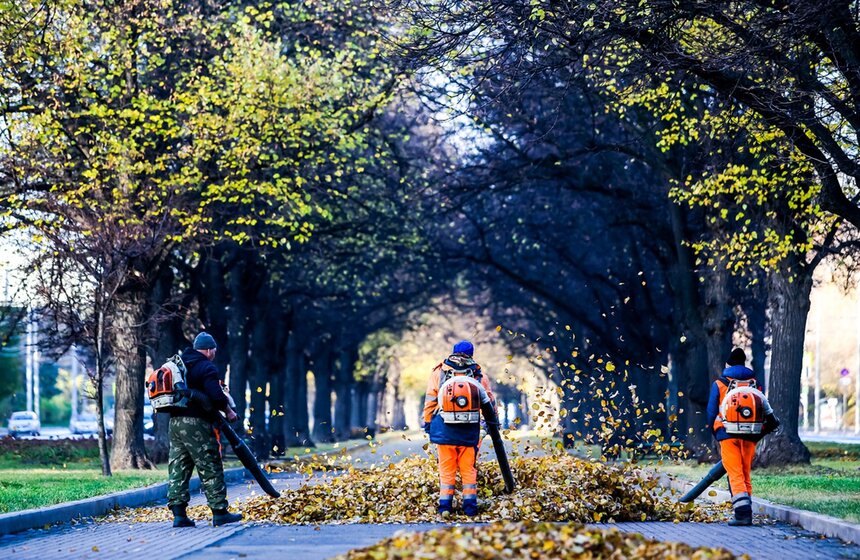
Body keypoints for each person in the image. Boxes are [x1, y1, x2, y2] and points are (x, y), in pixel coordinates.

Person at [167, 332, 242, 528]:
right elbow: (216, 396)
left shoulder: (179, 364)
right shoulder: (206, 366)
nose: (214, 354)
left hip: (175, 422)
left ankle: (179, 515)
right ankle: (220, 512)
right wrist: (229, 411)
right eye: (214, 351)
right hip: (196, 423)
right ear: (209, 350)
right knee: (210, 464)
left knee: (179, 466)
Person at [706, 347, 779, 526]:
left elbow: (711, 411)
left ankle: (742, 515)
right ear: (744, 363)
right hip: (750, 434)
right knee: (744, 472)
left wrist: (716, 431)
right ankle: (747, 510)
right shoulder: (755, 384)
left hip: (727, 433)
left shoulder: (720, 383)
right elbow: (762, 407)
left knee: (735, 473)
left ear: (727, 364)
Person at [423, 340, 496, 517]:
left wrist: (427, 423)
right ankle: (470, 508)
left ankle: (445, 508)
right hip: (470, 431)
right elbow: (489, 403)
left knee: (446, 470)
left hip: (444, 431)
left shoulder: (439, 373)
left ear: (453, 352)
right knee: (468, 470)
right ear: (472, 354)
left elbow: (430, 401)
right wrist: (492, 424)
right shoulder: (479, 376)